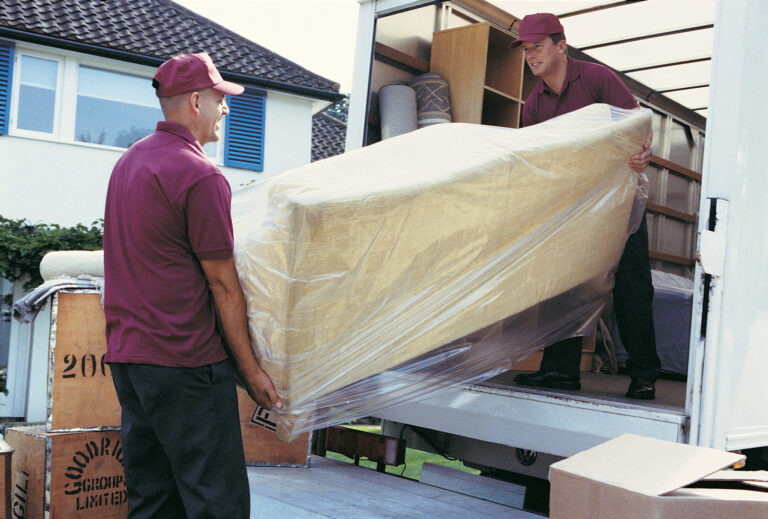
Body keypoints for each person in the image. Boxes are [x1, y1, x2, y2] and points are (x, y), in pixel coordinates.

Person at [103, 52, 282, 518]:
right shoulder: (200, 175)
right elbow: (224, 285)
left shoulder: (129, 162)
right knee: (216, 504)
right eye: (222, 98)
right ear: (198, 101)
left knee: (153, 500)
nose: (227, 108)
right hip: (186, 364)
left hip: (131, 361)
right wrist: (251, 372)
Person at [510, 13, 661, 400]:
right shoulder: (534, 105)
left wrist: (642, 153)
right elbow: (536, 160)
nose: (531, 56)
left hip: (619, 202)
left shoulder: (596, 79)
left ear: (561, 45)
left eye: (537, 47)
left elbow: (635, 126)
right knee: (564, 287)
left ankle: (643, 375)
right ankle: (560, 371)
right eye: (526, 50)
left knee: (630, 285)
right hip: (573, 209)